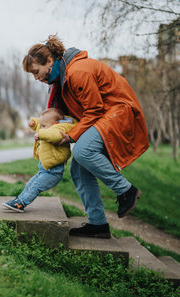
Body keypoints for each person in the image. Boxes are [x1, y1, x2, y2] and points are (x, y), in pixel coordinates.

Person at [21, 35, 149, 239]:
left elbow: (94, 110)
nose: (36, 78)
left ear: (49, 61)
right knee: (79, 171)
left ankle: (126, 190)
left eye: (37, 72)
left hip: (119, 112)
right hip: (104, 115)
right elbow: (74, 115)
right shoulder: (62, 79)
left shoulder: (77, 72)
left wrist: (70, 136)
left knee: (82, 151)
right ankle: (98, 224)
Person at [3, 107, 77, 213]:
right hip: (44, 170)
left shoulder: (59, 130)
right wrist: (34, 123)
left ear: (55, 123)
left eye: (43, 126)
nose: (41, 128)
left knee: (35, 187)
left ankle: (21, 204)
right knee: (30, 184)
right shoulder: (48, 126)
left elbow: (54, 136)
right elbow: (41, 124)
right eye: (41, 126)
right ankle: (18, 200)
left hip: (53, 173)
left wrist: (41, 134)